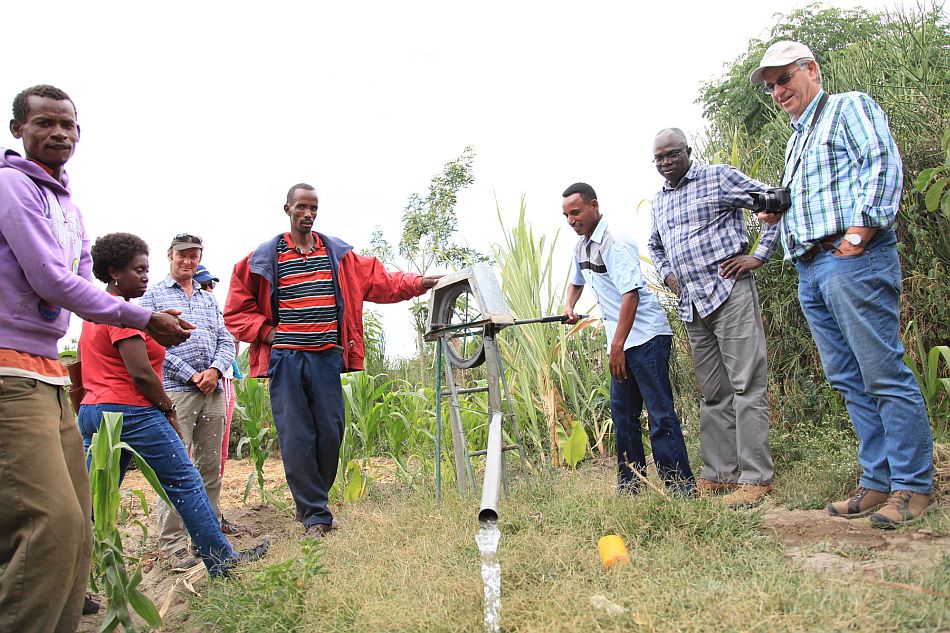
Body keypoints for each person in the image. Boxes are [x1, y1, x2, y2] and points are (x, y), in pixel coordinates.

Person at [0, 84, 190, 633]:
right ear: (19, 130)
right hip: (10, 371)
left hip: (46, 374)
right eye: (44, 123)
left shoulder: (69, 208)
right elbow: (49, 278)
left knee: (77, 532)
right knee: (48, 526)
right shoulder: (13, 187)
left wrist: (144, 316)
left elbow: (82, 283)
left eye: (68, 126)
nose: (59, 133)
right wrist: (142, 317)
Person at [751, 41, 935, 527]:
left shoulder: (846, 107)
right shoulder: (797, 139)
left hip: (850, 259)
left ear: (810, 69)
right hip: (811, 268)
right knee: (849, 379)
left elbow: (880, 162)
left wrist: (860, 233)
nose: (777, 90)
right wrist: (778, 212)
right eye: (770, 85)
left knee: (882, 372)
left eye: (784, 78)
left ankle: (913, 487)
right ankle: (877, 482)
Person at [224, 183, 440, 538]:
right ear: (287, 209)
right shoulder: (264, 257)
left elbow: (383, 281)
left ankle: (312, 500)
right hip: (287, 359)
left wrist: (420, 282)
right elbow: (235, 310)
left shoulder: (337, 255)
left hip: (327, 358)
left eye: (314, 208)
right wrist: (267, 334)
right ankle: (314, 515)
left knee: (330, 432)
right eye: (301, 208)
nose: (308, 214)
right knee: (296, 436)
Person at [77, 233, 268, 576]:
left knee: (95, 499)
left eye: (146, 269)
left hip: (95, 412)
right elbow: (142, 374)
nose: (145, 276)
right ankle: (220, 559)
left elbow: (84, 367)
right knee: (184, 480)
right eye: (138, 270)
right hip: (132, 411)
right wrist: (166, 410)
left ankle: (75, 579)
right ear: (113, 272)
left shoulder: (97, 312)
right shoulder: (127, 315)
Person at [648, 128, 779, 507]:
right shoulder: (659, 200)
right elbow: (655, 244)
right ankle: (719, 474)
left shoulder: (717, 176)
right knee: (713, 392)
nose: (665, 162)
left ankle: (756, 477)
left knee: (746, 385)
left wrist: (759, 254)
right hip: (692, 304)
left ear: (688, 151)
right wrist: (670, 277)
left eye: (672, 154)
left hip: (729, 292)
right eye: (658, 158)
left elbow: (772, 201)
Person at [561, 182, 695, 494]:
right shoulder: (582, 245)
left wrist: (617, 347)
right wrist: (569, 305)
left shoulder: (615, 243)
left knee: (660, 415)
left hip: (646, 337)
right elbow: (577, 281)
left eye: (576, 212)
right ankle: (631, 486)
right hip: (620, 342)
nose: (571, 220)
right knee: (623, 416)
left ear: (594, 206)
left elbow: (630, 296)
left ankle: (680, 489)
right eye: (566, 215)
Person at [140, 235, 236, 568]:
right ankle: (172, 544)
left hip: (213, 391)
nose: (188, 261)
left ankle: (206, 539)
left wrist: (214, 370)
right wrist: (191, 374)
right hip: (176, 392)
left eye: (194, 256)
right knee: (175, 467)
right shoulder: (152, 295)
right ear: (170, 255)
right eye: (182, 255)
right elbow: (151, 345)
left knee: (209, 466)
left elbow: (226, 338)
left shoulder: (209, 299)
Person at [195, 262, 244, 535]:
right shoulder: (188, 311)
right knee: (197, 456)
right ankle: (198, 519)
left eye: (211, 285)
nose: (209, 290)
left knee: (217, 456)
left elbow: (230, 341)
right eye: (203, 285)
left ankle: (214, 515)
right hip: (202, 384)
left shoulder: (215, 312)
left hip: (223, 381)